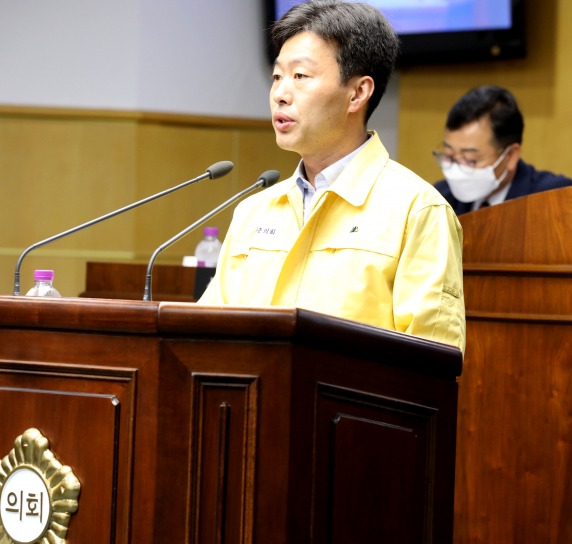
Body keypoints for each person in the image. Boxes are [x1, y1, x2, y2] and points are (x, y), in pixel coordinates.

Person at [199, 0, 465, 352]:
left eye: (300, 76)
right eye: (277, 76)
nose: (280, 94)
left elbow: (431, 361)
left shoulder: (417, 210)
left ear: (358, 93)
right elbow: (205, 337)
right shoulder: (254, 211)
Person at [434, 85, 572, 215]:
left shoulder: (557, 197)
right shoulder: (439, 199)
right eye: (449, 155)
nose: (456, 170)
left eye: (470, 160)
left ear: (510, 155)